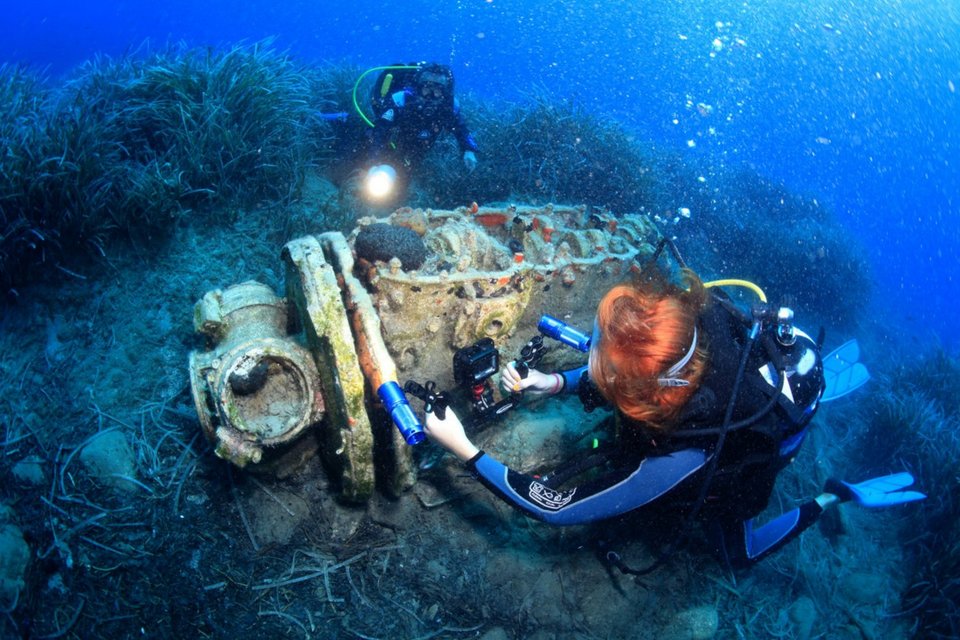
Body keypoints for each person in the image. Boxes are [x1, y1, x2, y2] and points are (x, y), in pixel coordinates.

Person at [423, 255, 924, 571]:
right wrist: (551, 382)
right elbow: (626, 369)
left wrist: (463, 447)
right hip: (736, 377)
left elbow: (558, 508)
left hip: (744, 445)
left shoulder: (685, 451)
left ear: (646, 393)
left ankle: (832, 497)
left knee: (738, 557)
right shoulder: (682, 329)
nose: (592, 356)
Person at [363, 62, 478, 202]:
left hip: (421, 149)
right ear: (418, 85)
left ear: (445, 91)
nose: (430, 95)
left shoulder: (449, 106)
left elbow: (461, 128)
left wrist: (468, 149)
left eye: (438, 90)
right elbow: (380, 131)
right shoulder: (400, 99)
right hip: (393, 143)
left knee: (405, 180)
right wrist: (374, 161)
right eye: (427, 87)